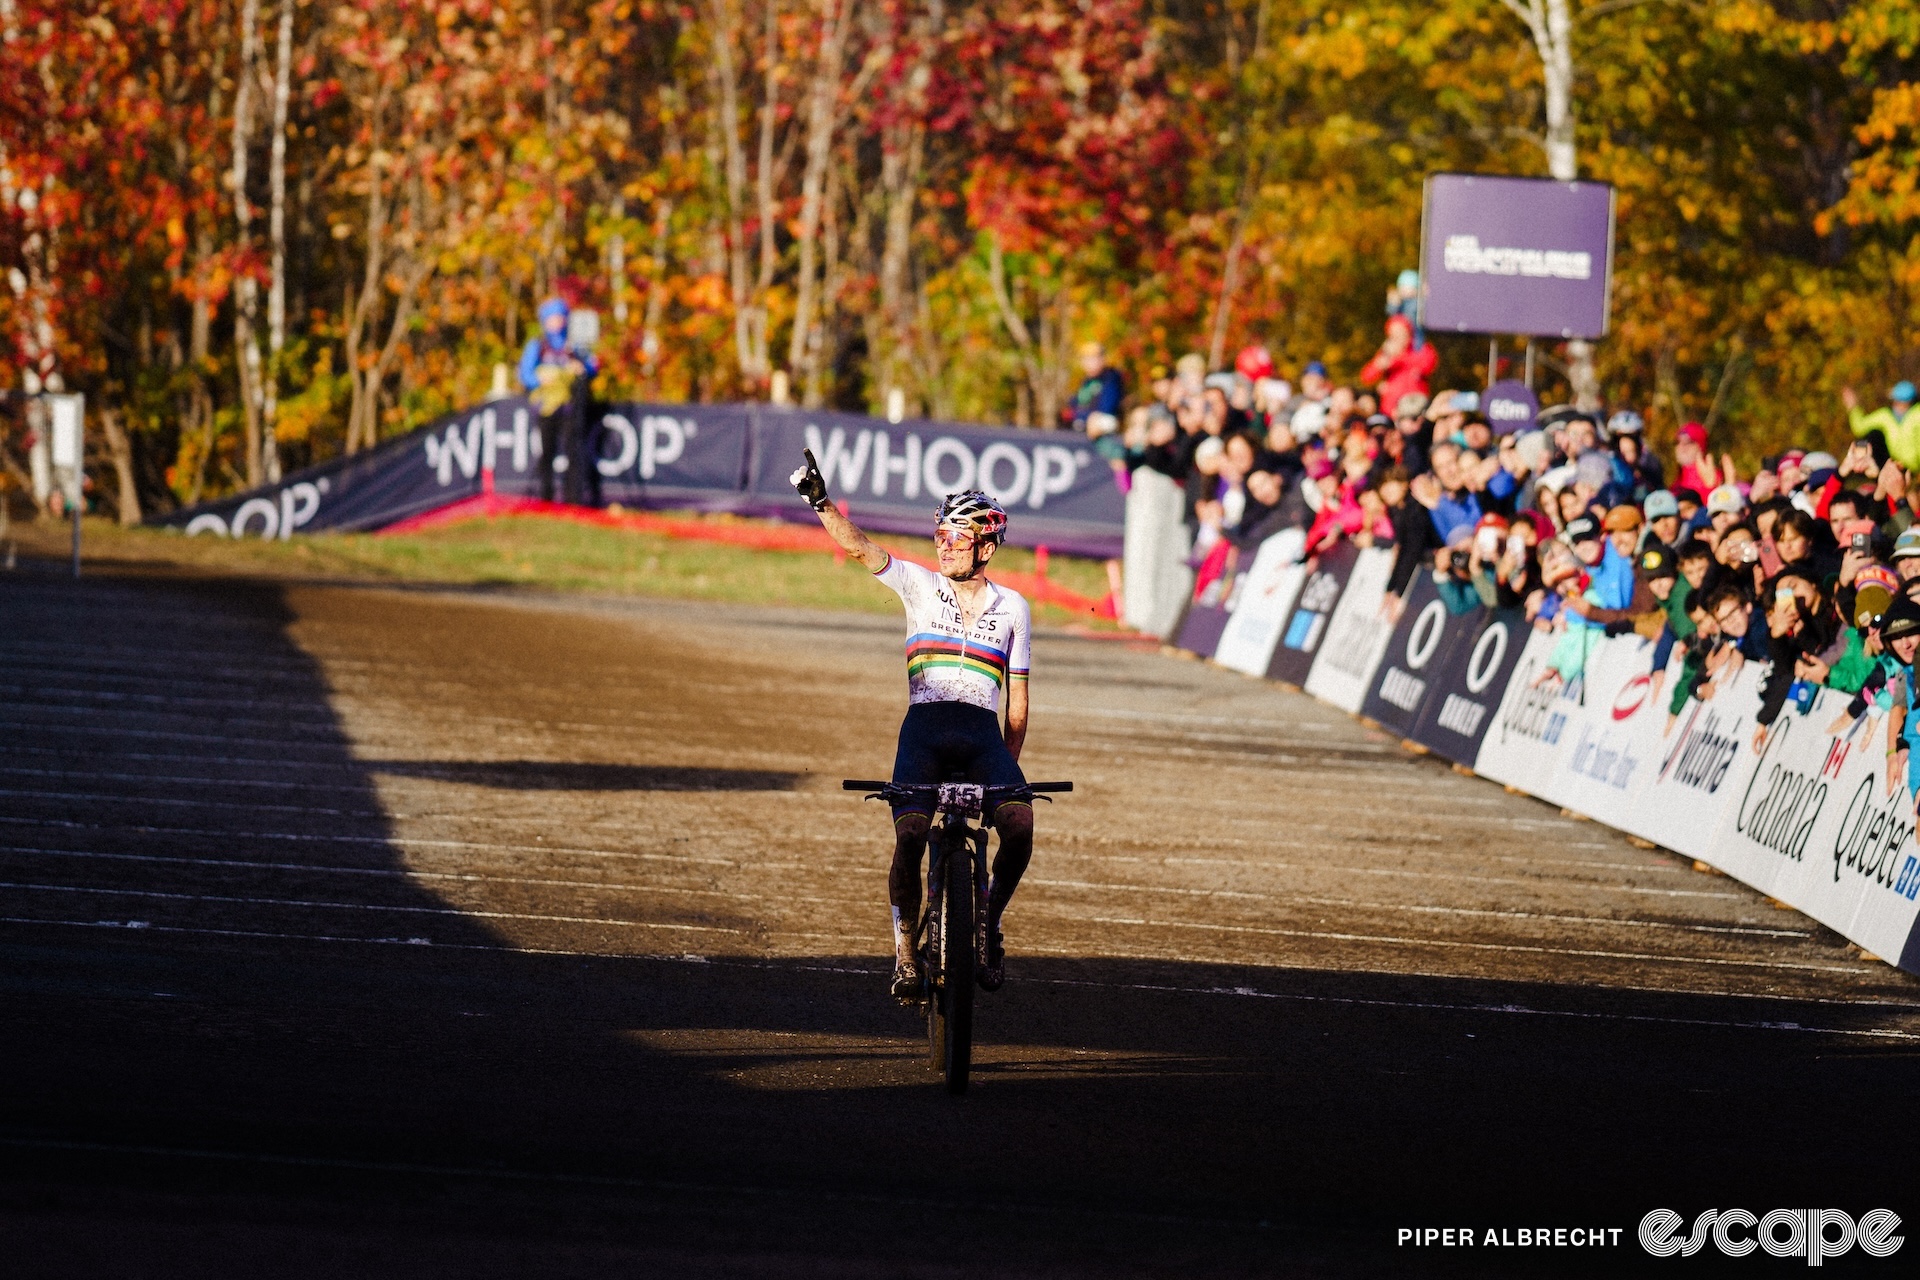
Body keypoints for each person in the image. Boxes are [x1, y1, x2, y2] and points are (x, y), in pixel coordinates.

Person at [789, 454, 1035, 1000]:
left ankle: (987, 923)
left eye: (957, 538)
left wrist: (1008, 774)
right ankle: (904, 951)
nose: (944, 545)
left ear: (986, 548)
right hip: (923, 730)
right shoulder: (921, 587)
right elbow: (862, 549)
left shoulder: (1013, 608)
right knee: (909, 837)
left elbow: (1017, 702)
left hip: (982, 739)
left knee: (1019, 826)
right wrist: (819, 501)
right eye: (940, 536)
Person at [519, 297, 598, 503]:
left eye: (559, 318)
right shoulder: (538, 346)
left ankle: (573, 500)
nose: (556, 323)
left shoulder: (574, 346)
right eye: (551, 319)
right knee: (547, 453)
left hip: (571, 408)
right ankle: (545, 498)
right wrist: (541, 379)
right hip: (546, 409)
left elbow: (592, 367)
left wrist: (582, 369)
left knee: (574, 453)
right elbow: (525, 374)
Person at [1844, 380, 1920, 471]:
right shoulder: (1885, 416)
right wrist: (1854, 408)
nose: (1897, 404)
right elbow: (1860, 427)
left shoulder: (1917, 414)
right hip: (1897, 468)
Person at [1064, 342, 1125, 430]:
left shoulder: (1111, 378)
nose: (1088, 363)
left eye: (1092, 358)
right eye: (1085, 359)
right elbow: (1074, 405)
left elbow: (1106, 409)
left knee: (1102, 421)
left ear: (1102, 359)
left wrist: (1081, 416)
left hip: (1101, 425)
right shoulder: (1086, 381)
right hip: (1082, 421)